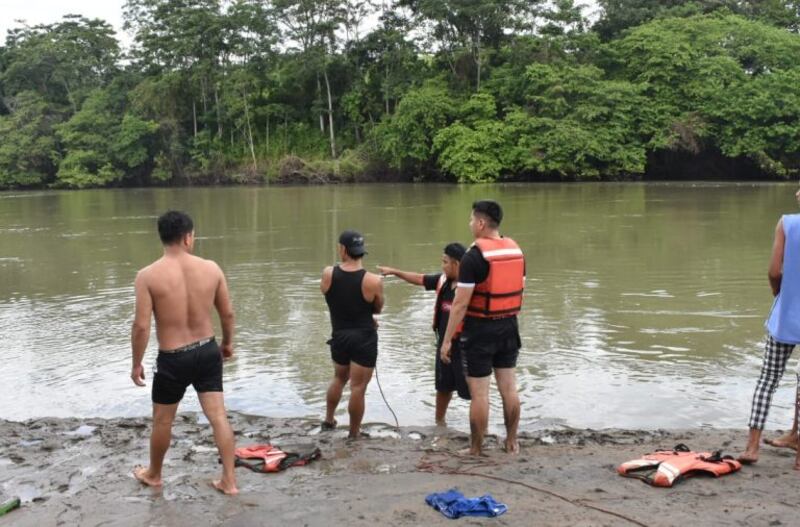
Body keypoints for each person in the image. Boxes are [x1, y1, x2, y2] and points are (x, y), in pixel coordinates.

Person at [130, 211, 238, 495]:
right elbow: (227, 313)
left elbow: (141, 326)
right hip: (206, 350)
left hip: (173, 358)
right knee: (218, 416)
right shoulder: (212, 268)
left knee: (163, 419)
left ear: (162, 237)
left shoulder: (147, 276)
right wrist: (227, 344)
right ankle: (229, 480)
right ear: (188, 237)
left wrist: (136, 363)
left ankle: (154, 475)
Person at [441, 200, 524, 456]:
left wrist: (447, 341)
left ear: (480, 223)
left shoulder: (473, 257)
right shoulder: (516, 251)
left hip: (480, 330)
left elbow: (460, 304)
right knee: (509, 388)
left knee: (480, 394)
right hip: (509, 325)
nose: (469, 225)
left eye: (470, 220)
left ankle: (476, 449)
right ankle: (511, 442)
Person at [378, 243, 470, 426]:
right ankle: (439, 423)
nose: (442, 266)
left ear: (457, 264)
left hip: (465, 346)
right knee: (443, 387)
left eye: (445, 262)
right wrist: (395, 272)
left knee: (474, 391)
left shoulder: (469, 288)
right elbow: (420, 279)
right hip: (444, 345)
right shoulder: (443, 281)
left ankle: (479, 430)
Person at [740, 192, 800, 464]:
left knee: (768, 380)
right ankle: (797, 444)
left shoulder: (787, 223)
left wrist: (779, 294)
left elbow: (775, 271)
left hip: (786, 316)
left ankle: (752, 447)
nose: (797, 193)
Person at [321, 230, 384, 439]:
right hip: (363, 338)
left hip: (339, 335)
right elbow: (377, 308)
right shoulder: (373, 280)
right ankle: (354, 433)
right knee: (358, 388)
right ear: (361, 251)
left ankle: (328, 420)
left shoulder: (328, 273)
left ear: (343, 249)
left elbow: (330, 296)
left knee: (338, 378)